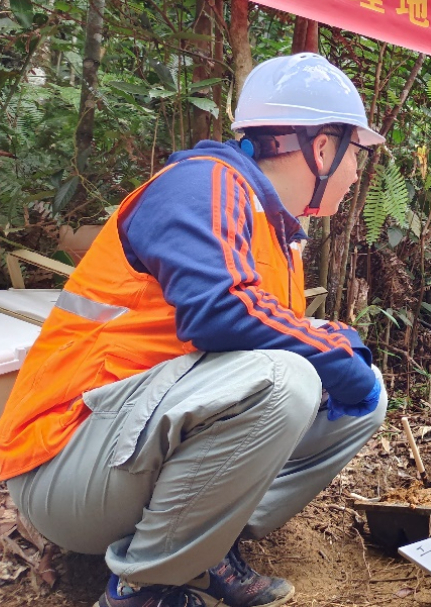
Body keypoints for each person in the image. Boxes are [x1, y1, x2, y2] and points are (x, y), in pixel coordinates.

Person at [0, 53, 388, 607]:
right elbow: (222, 313)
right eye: (357, 155)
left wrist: (340, 352)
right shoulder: (203, 185)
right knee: (288, 379)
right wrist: (334, 356)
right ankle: (148, 583)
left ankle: (201, 549)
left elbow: (269, 327)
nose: (355, 173)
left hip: (126, 454)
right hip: (65, 468)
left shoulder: (274, 225)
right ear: (322, 147)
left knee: (354, 388)